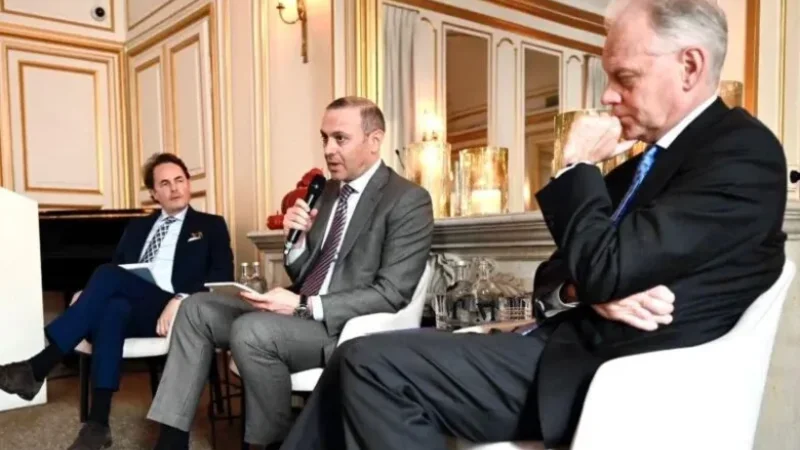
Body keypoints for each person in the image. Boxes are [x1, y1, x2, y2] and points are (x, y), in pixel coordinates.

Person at [279, 1, 788, 449]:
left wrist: (577, 166)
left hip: (607, 374)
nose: (609, 96)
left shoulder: (741, 153)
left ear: (690, 66)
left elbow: (603, 267)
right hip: (555, 344)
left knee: (370, 366)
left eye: (625, 77)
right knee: (355, 358)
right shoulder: (644, 165)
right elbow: (555, 274)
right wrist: (582, 289)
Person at [146, 96, 434, 450]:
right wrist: (296, 241)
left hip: (341, 326)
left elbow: (392, 292)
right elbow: (305, 269)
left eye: (340, 139)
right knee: (196, 308)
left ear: (374, 141)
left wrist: (303, 305)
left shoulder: (407, 199)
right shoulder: (327, 192)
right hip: (298, 310)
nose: (328, 150)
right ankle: (172, 440)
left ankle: (273, 444)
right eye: (324, 138)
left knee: (252, 331)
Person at [0, 153, 234, 450]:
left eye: (179, 180)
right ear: (154, 193)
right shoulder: (137, 227)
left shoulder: (211, 225)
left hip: (177, 310)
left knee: (106, 278)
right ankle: (98, 423)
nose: (174, 188)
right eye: (165, 183)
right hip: (139, 308)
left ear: (188, 184)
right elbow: (119, 270)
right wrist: (88, 294)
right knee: (113, 307)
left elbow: (221, 277)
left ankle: (39, 366)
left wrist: (180, 299)